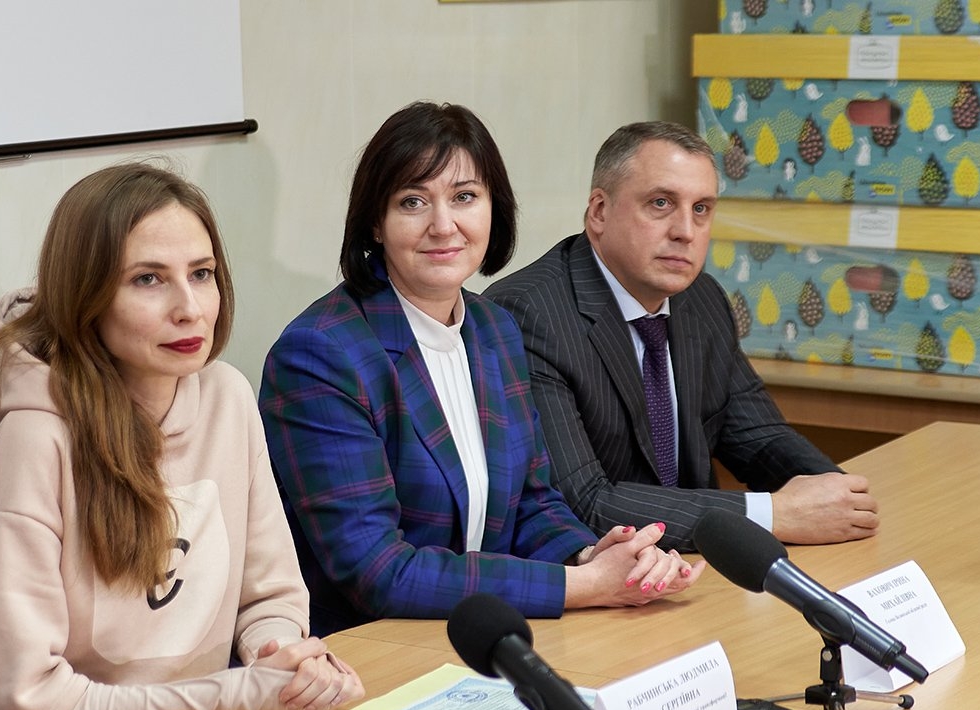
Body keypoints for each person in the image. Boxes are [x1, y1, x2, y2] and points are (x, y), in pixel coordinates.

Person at [0, 164, 363, 710]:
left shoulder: (228, 398)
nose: (190, 309)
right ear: (87, 296)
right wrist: (236, 693)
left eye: (202, 274)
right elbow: (29, 707)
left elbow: (268, 598)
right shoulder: (36, 438)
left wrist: (279, 661)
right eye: (148, 279)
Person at [258, 102, 703, 637]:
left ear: (495, 208)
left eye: (465, 197)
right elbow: (376, 572)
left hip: (480, 635)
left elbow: (533, 503)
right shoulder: (321, 354)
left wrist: (594, 556)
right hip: (366, 648)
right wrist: (581, 585)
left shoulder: (494, 328)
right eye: (413, 201)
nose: (443, 225)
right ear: (375, 222)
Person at [484, 121, 880, 552]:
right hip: (598, 573)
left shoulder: (700, 297)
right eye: (661, 203)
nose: (686, 231)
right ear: (599, 212)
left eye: (701, 209)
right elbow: (584, 503)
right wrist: (773, 514)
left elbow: (760, 438)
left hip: (692, 566)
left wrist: (841, 496)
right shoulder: (526, 315)